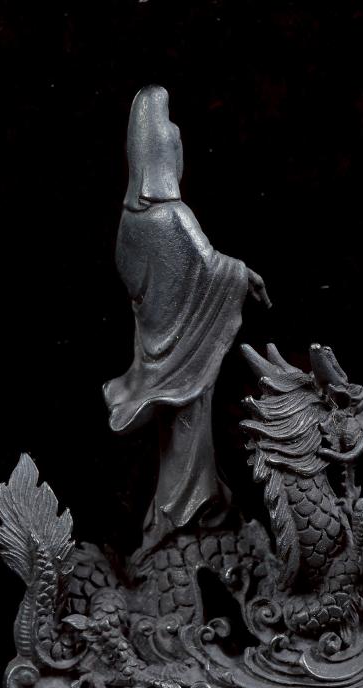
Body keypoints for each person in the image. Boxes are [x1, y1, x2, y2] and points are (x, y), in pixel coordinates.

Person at [104, 85, 270, 568]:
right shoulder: (172, 217)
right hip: (184, 353)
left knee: (177, 436)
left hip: (158, 348)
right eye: (175, 145)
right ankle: (183, 511)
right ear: (163, 154)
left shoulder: (130, 222)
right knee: (187, 431)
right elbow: (210, 266)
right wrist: (244, 275)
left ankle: (192, 506)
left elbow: (136, 278)